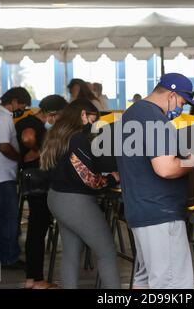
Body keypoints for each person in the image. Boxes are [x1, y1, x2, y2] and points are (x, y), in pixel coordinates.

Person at [116, 73, 194, 289]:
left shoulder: (132, 113)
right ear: (172, 95)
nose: (182, 108)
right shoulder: (154, 118)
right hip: (160, 214)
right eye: (182, 102)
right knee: (171, 284)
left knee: (145, 280)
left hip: (140, 212)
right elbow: (165, 168)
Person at [40, 99, 120, 289]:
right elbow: (89, 178)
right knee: (107, 251)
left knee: (70, 253)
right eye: (92, 119)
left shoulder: (55, 135)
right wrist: (112, 178)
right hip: (76, 202)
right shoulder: (77, 138)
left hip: (56, 197)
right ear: (82, 115)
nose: (93, 125)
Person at [15, 95, 67, 289]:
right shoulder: (32, 123)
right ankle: (36, 279)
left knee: (36, 230)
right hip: (39, 182)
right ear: (52, 113)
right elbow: (28, 137)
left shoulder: (28, 121)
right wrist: (40, 149)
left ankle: (32, 278)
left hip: (33, 181)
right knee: (38, 230)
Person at [0, 87, 31, 269]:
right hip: (1, 175)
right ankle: (10, 257)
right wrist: (21, 158)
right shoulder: (2, 117)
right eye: (22, 105)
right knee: (9, 218)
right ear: (14, 101)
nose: (22, 110)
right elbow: (4, 146)